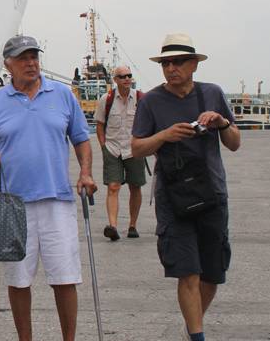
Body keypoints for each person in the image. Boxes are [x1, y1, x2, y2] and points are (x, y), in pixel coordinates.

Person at [0, 35, 94, 341]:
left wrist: (85, 173)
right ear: (8, 64)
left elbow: (81, 139)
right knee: (18, 280)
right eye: (22, 58)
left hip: (57, 198)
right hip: (11, 203)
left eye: (34, 56)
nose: (30, 63)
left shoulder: (61, 94)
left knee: (65, 277)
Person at [131, 33, 240, 341]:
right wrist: (165, 135)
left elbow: (234, 143)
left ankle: (193, 325)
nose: (171, 68)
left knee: (212, 274)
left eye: (178, 62)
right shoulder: (151, 100)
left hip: (212, 194)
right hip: (173, 198)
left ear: (194, 64)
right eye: (166, 63)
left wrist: (220, 123)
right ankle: (196, 335)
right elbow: (137, 148)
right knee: (187, 271)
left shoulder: (212, 94)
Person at [94, 65, 146, 241]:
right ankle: (113, 226)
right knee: (113, 186)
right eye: (122, 76)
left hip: (134, 149)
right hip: (113, 148)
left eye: (129, 76)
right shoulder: (106, 100)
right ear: (115, 80)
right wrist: (103, 147)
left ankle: (132, 225)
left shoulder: (140, 98)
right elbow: (100, 125)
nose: (126, 79)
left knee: (135, 186)